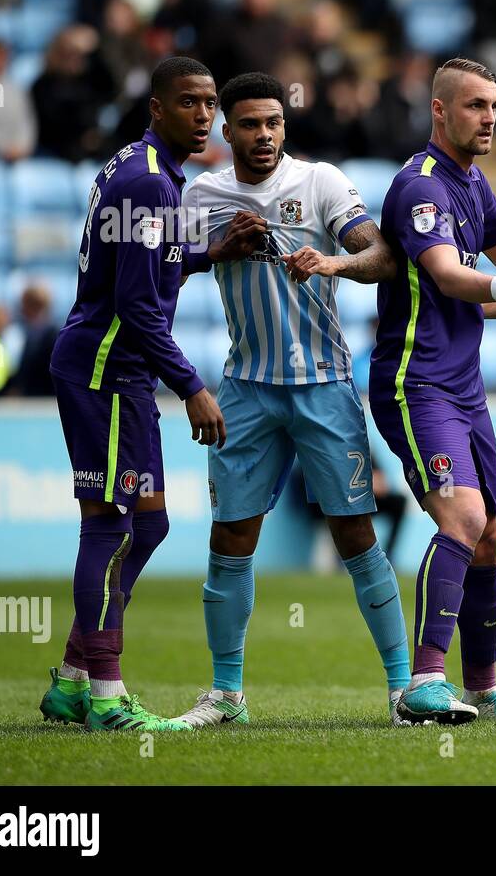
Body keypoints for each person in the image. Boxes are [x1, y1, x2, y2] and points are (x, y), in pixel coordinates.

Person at [169, 72, 413, 728]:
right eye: (249, 124)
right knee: (231, 538)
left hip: (325, 387)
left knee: (358, 534)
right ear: (228, 131)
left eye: (273, 122)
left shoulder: (322, 184)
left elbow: (382, 256)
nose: (264, 135)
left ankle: (401, 689)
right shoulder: (204, 194)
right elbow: (160, 269)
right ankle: (226, 693)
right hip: (246, 388)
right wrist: (219, 249)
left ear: (286, 125)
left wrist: (331, 262)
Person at [40, 57, 245, 733]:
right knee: (109, 525)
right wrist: (192, 386)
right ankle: (105, 693)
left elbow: (150, 264)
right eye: (189, 102)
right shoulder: (149, 184)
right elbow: (135, 304)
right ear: (156, 106)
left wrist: (210, 252)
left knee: (147, 522)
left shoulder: (141, 169)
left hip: (121, 373)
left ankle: (73, 679)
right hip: (104, 370)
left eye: (210, 101)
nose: (204, 114)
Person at [371, 58, 496, 724]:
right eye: (476, 105)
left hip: (464, 387)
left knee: (491, 537)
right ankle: (421, 683)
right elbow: (449, 274)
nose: (490, 118)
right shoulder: (419, 187)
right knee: (464, 519)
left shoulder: (473, 184)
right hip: (415, 383)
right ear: (440, 110)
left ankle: (483, 687)